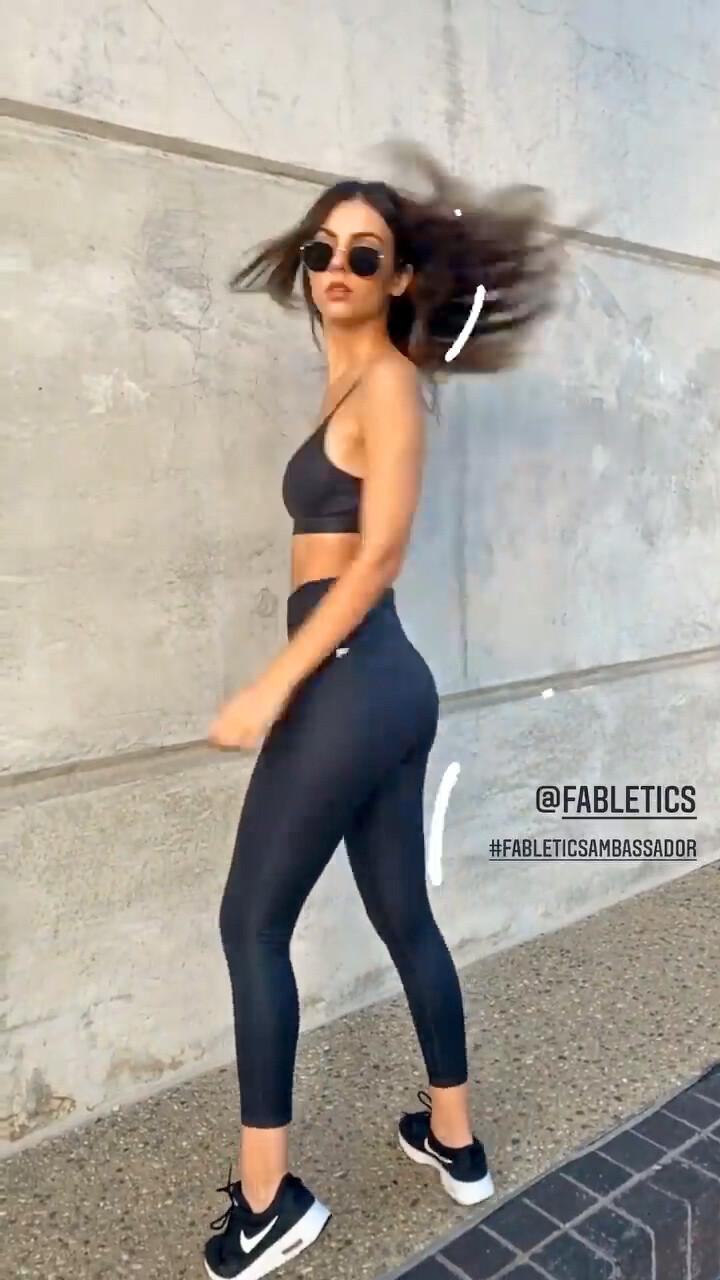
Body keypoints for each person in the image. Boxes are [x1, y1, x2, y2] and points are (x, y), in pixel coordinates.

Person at [203, 143, 561, 1280]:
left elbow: (378, 558)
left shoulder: (393, 383)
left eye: (366, 254)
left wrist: (275, 682)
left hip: (352, 678)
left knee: (250, 925)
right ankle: (455, 1139)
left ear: (401, 276)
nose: (337, 268)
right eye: (324, 250)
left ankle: (270, 1205)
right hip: (382, 684)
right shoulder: (349, 381)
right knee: (405, 913)